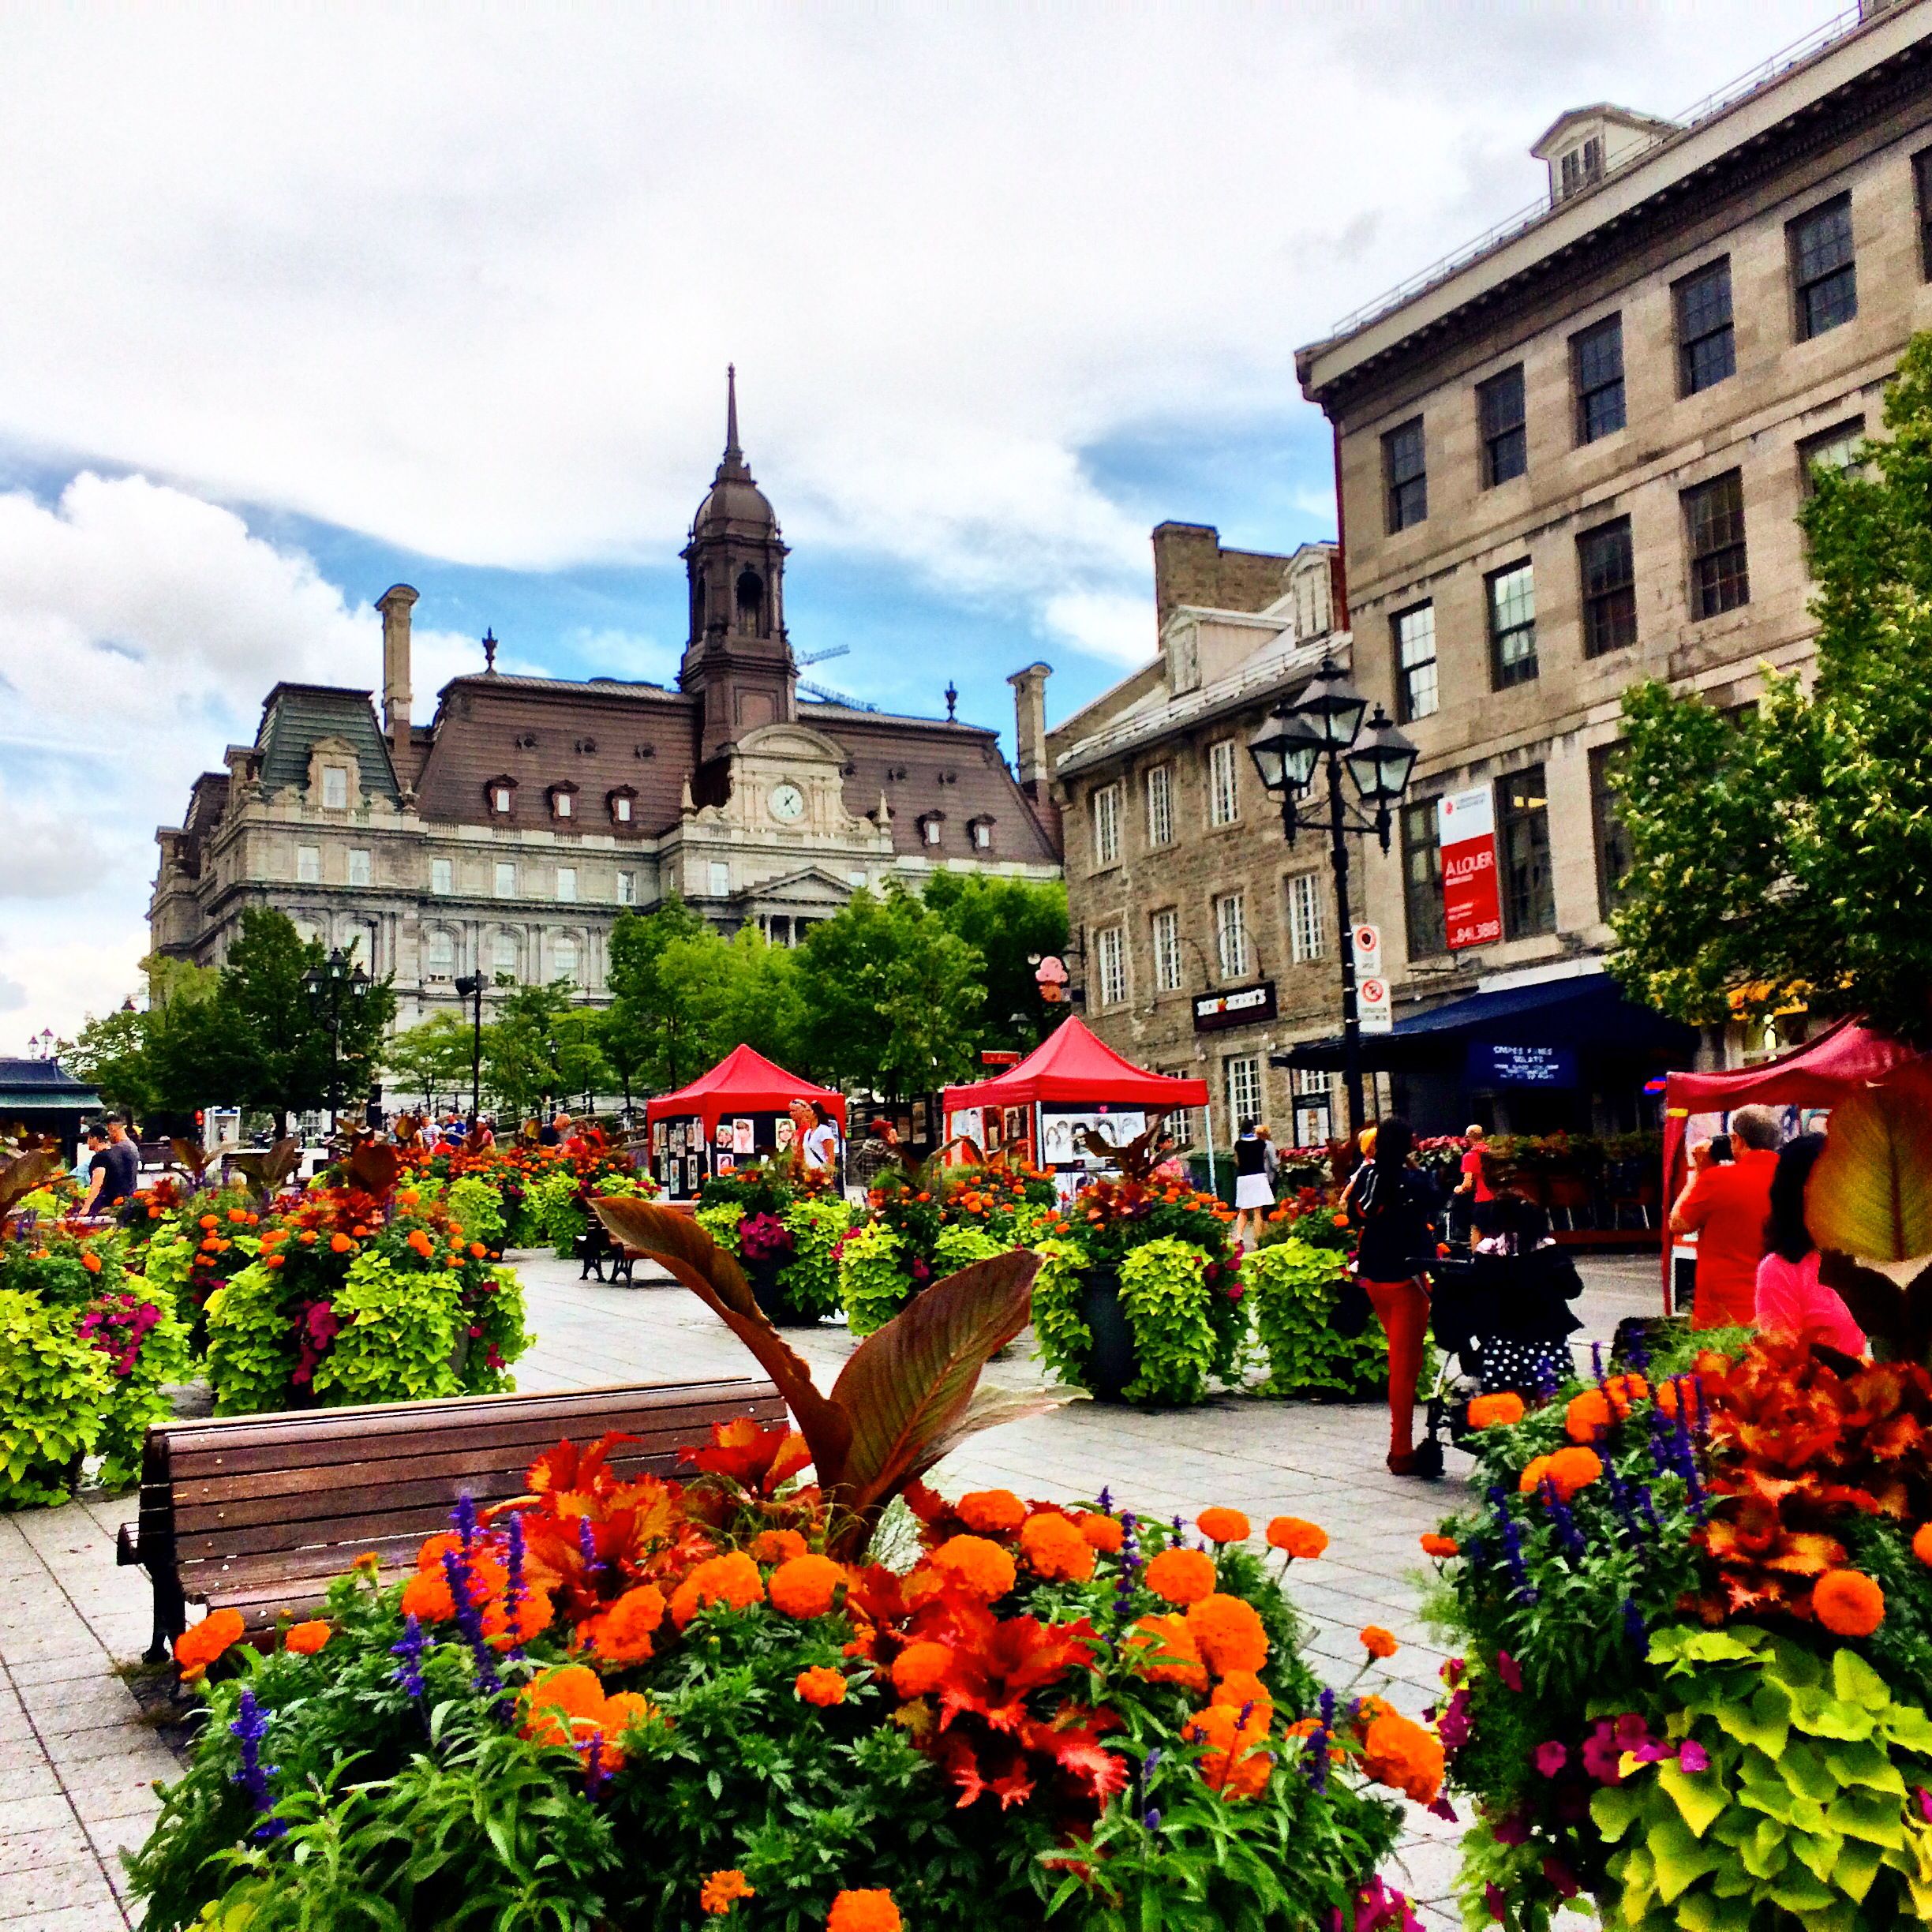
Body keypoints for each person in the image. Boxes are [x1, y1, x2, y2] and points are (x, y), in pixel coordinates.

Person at [1347, 1117, 1440, 1476]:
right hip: (1408, 1274)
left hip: (1374, 1273)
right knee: (1405, 1366)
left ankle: (1401, 1446)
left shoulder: (1367, 1176)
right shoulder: (1414, 1179)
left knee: (1398, 1357)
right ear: (1409, 1145)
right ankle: (1400, 1449)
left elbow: (1354, 1215)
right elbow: (1437, 1202)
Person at [1669, 1103, 1782, 1329]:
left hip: (1724, 1314)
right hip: (1778, 1309)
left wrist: (1702, 1172)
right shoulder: (1792, 1179)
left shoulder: (1718, 1180)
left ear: (1738, 1140)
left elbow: (1678, 1222)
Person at [1755, 1133, 1864, 1356]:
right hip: (1823, 1389)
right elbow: (1784, 1366)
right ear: (1798, 1193)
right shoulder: (1780, 1270)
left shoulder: (1858, 1256)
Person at [1230, 1118, 1275, 1249]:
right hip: (1259, 1176)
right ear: (1252, 1129)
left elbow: (1237, 1161)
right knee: (1257, 1211)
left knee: (1243, 1210)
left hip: (1244, 1177)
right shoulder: (1261, 1144)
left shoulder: (1238, 1144)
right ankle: (1257, 1240)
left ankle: (1239, 1235)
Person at [79, 1123, 136, 1218]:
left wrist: (86, 1207)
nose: (87, 1142)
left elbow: (97, 1185)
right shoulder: (117, 1153)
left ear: (95, 1139)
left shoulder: (100, 1158)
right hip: (124, 1202)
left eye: (89, 1138)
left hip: (107, 1205)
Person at [1453, 1123, 1496, 1239]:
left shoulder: (1470, 1155)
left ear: (1468, 1137)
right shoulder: (1493, 1152)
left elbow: (1467, 1185)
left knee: (1477, 1232)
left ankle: (1478, 1256)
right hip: (1499, 1199)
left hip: (1483, 1200)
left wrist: (1458, 1189)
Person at [799, 1101, 841, 1176]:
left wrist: (829, 1173)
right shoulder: (807, 1133)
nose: (806, 1113)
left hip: (821, 1172)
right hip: (808, 1173)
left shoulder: (824, 1130)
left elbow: (830, 1154)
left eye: (808, 1111)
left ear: (815, 1113)